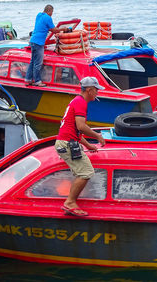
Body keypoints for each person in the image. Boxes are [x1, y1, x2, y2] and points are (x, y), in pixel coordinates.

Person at [55, 77, 106, 216]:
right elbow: (81, 127)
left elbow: (75, 131)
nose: (97, 93)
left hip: (66, 141)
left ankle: (71, 200)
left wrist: (88, 145)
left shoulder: (76, 101)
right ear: (89, 90)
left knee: (83, 171)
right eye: (96, 90)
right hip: (67, 143)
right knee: (86, 172)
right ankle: (70, 202)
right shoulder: (81, 102)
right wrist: (98, 136)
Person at [25, 4, 69, 87]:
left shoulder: (39, 15)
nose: (52, 14)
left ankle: (28, 79)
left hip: (33, 41)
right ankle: (37, 81)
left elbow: (45, 27)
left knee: (32, 61)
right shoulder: (48, 18)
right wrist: (63, 29)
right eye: (52, 12)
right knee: (38, 63)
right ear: (49, 11)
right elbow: (54, 30)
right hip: (39, 42)